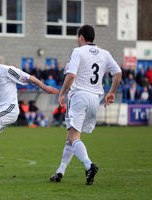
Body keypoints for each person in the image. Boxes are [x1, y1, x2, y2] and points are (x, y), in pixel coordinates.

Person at [50, 25, 122, 185]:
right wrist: (112, 92)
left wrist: (62, 93)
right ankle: (60, 172)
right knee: (71, 137)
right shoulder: (105, 53)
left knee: (74, 137)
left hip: (79, 97)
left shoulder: (78, 52)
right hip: (95, 99)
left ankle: (89, 165)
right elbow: (118, 73)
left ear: (81, 37)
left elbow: (71, 75)